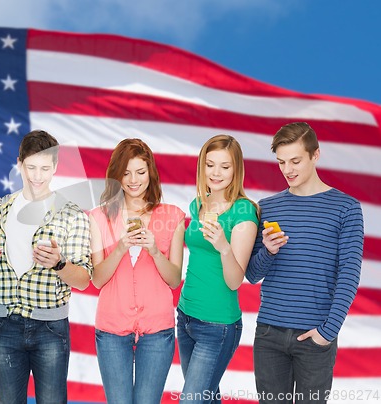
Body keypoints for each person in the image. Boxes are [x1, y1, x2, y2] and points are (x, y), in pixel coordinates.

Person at [246, 122, 364, 404]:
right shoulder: (268, 206)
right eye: (281, 162)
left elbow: (349, 274)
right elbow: (251, 274)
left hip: (315, 336)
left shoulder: (346, 208)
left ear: (316, 155)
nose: (288, 169)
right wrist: (268, 252)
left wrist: (327, 332)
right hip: (269, 334)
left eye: (296, 160)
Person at [0, 129, 92, 404]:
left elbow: (82, 279)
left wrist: (59, 263)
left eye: (45, 168)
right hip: (4, 324)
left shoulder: (71, 214)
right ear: (19, 163)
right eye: (30, 167)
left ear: (55, 167)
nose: (37, 176)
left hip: (50, 329)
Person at [89, 138, 185, 404]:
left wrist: (154, 251)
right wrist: (119, 248)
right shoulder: (98, 217)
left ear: (150, 173)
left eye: (140, 172)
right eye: (126, 172)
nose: (133, 180)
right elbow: (97, 279)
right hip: (111, 329)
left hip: (157, 330)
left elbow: (174, 279)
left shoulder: (173, 216)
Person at [177, 134, 258, 403]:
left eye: (225, 166)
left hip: (218, 325)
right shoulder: (198, 204)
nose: (216, 172)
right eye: (210, 164)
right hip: (185, 316)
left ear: (236, 170)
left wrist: (224, 246)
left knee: (192, 399)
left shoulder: (243, 212)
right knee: (206, 397)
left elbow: (235, 281)